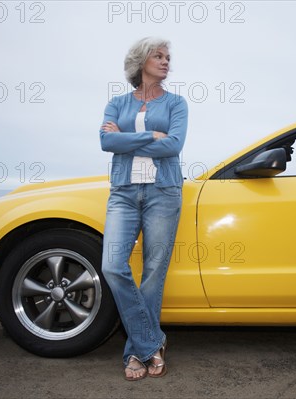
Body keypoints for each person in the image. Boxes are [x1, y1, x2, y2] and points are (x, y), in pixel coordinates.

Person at [99, 37, 188, 381]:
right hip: (123, 193)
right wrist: (152, 137)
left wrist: (128, 138)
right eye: (159, 56)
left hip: (163, 192)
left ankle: (136, 352)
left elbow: (174, 145)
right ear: (141, 61)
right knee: (112, 265)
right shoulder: (117, 103)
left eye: (168, 57)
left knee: (154, 272)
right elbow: (106, 141)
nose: (166, 62)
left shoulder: (177, 103)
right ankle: (153, 343)